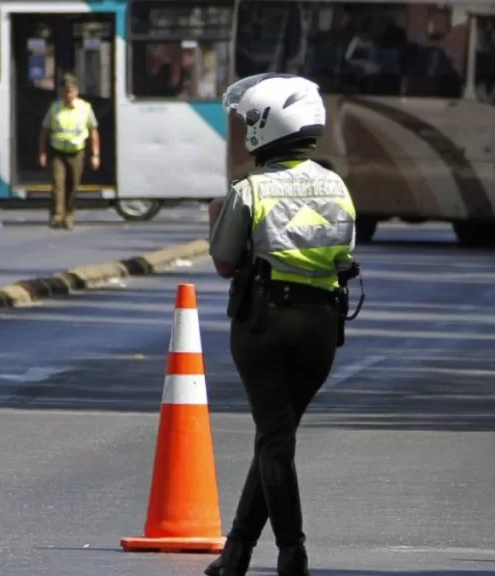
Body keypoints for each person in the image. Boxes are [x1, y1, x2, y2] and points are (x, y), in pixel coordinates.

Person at [204, 73, 358, 576]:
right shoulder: (336, 184)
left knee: (274, 439)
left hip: (265, 325)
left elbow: (225, 262)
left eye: (250, 119)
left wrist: (215, 219)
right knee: (277, 437)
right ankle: (236, 554)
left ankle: (293, 554)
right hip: (321, 328)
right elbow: (341, 257)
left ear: (267, 127)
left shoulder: (250, 189)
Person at [38, 73, 100, 229]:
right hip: (57, 151)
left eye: (71, 91)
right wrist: (42, 152)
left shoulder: (85, 108)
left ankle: (69, 215)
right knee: (58, 184)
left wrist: (95, 154)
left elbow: (93, 132)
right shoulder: (55, 108)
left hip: (76, 152)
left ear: (76, 91)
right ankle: (57, 215)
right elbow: (44, 130)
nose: (68, 94)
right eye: (66, 91)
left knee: (73, 185)